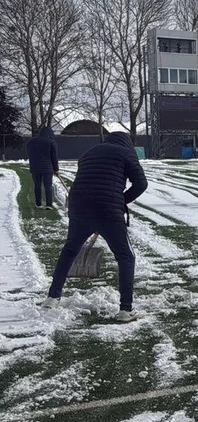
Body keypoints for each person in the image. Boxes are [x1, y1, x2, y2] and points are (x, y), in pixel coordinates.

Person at [41, 132, 147, 321]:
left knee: (69, 251)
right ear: (127, 143)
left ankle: (52, 297)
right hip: (107, 208)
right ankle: (125, 309)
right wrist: (121, 202)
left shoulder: (88, 153)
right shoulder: (126, 153)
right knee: (125, 256)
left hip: (78, 205)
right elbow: (141, 184)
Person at [27, 126, 59, 210]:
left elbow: (30, 154)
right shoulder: (51, 142)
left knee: (37, 186)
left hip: (35, 168)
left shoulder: (30, 141)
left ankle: (38, 203)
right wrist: (56, 169)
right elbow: (54, 158)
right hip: (47, 168)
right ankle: (48, 204)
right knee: (48, 186)